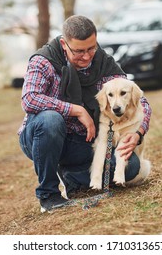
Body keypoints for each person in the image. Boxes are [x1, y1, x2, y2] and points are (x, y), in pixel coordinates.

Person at [18, 15, 152, 213]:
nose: (87, 56)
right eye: (79, 51)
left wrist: (138, 132)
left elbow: (140, 102)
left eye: (92, 48)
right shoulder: (43, 61)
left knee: (131, 166)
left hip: (83, 143)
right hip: (42, 138)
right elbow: (29, 99)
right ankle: (49, 195)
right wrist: (76, 110)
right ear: (64, 44)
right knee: (50, 119)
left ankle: (72, 177)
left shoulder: (104, 63)